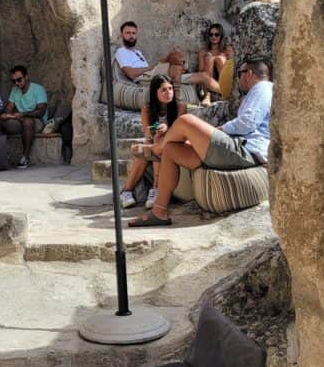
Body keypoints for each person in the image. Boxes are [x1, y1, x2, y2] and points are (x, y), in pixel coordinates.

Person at [128, 57, 272, 227]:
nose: (237, 78)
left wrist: (218, 130)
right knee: (172, 150)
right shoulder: (259, 92)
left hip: (246, 151)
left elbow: (247, 123)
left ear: (249, 74)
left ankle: (156, 148)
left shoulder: (262, 89)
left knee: (186, 121)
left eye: (239, 74)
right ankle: (159, 211)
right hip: (239, 148)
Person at [120, 74, 186, 210]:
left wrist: (167, 129)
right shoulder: (147, 109)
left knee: (155, 143)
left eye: (170, 89)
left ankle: (155, 188)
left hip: (174, 144)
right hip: (155, 145)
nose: (169, 93)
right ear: (155, 93)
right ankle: (127, 191)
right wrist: (152, 132)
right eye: (164, 90)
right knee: (148, 146)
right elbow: (147, 135)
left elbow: (180, 132)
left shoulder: (180, 107)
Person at [113, 20, 197, 89]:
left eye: (133, 33)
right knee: (176, 56)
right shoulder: (121, 51)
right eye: (128, 33)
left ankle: (181, 72)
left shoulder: (138, 52)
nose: (131, 36)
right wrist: (151, 67)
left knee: (174, 54)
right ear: (122, 35)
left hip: (150, 74)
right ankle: (183, 70)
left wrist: (158, 64)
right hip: (143, 79)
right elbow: (131, 73)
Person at [0, 64, 48, 168]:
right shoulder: (15, 90)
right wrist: (6, 114)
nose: (16, 83)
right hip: (20, 120)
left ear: (26, 77)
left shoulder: (38, 89)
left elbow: (41, 112)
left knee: (28, 121)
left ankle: (25, 158)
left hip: (38, 121)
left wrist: (23, 114)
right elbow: (9, 107)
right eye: (13, 81)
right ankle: (3, 156)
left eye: (19, 80)